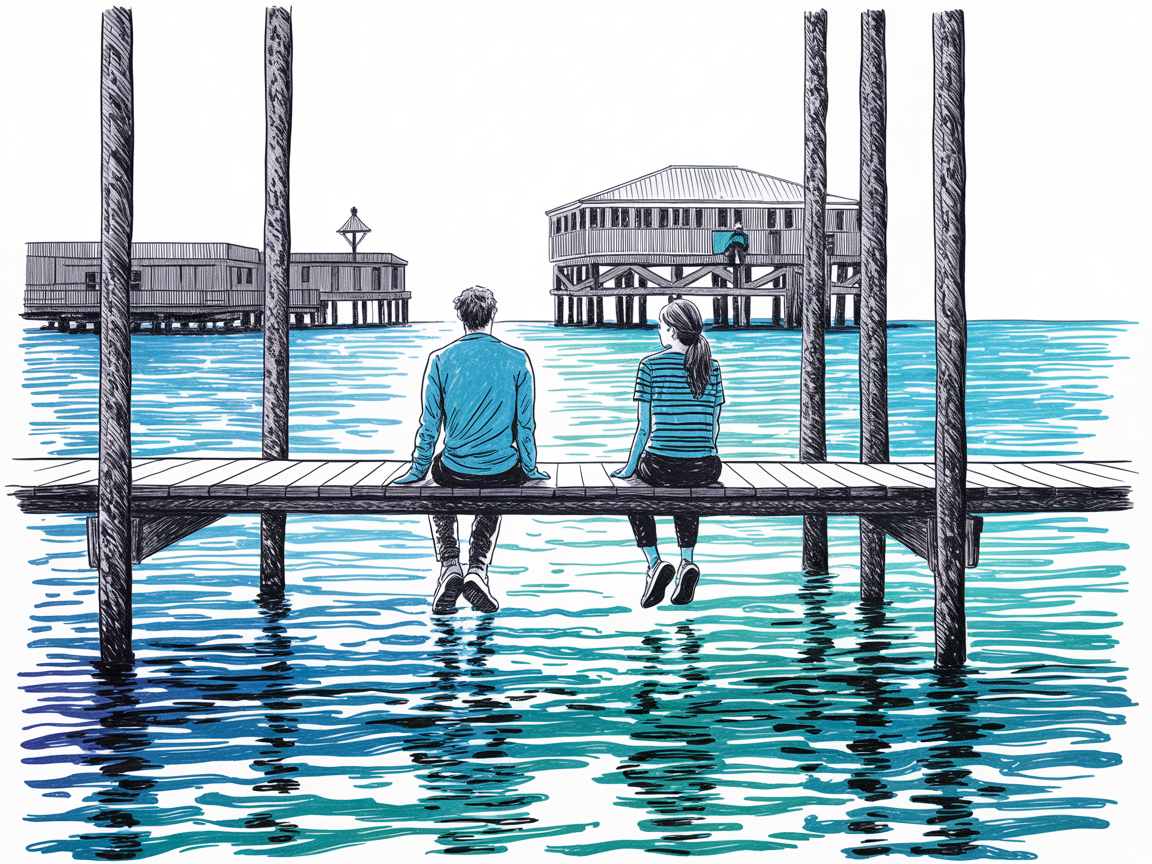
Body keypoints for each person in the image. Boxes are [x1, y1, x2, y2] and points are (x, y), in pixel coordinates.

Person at [394, 286, 548, 615]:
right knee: (501, 474)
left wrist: (417, 471)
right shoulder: (518, 359)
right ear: (492, 315)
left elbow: (430, 425)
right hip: (501, 469)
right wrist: (532, 469)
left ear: (461, 318)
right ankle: (478, 568)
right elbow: (525, 426)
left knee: (437, 476)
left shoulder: (440, 360)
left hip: (454, 469)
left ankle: (450, 564)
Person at [611, 299, 724, 608]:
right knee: (687, 485)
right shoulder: (711, 366)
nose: (659, 331)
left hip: (660, 463)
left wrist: (629, 468)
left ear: (672, 330)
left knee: (634, 490)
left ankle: (654, 562)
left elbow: (644, 429)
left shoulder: (650, 365)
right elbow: (713, 425)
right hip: (706, 466)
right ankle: (687, 561)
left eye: (661, 326)